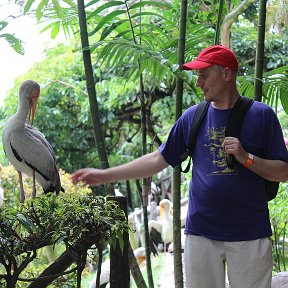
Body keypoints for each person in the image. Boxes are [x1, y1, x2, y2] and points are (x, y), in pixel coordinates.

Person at [72, 45, 288, 288]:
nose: (198, 82)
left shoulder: (262, 115)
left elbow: (283, 172)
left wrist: (246, 157)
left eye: (204, 75)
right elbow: (157, 159)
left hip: (250, 234)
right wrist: (104, 176)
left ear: (227, 74)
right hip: (201, 234)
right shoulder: (193, 117)